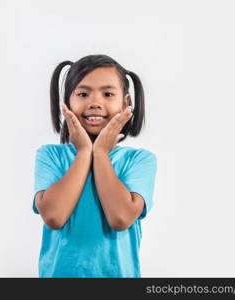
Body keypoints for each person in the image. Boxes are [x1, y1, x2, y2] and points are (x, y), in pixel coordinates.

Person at [32, 54, 157, 278]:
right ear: (67, 102)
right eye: (82, 94)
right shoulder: (50, 155)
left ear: (125, 103)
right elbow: (54, 216)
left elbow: (120, 218)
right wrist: (83, 153)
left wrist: (100, 153)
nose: (95, 103)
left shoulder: (139, 160)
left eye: (108, 94)